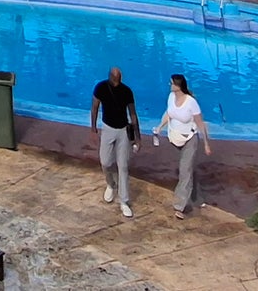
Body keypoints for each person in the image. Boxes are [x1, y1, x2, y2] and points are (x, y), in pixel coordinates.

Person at [153, 73, 213, 219]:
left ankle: (180, 206)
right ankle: (197, 198)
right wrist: (160, 126)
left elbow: (200, 123)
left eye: (171, 83)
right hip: (175, 138)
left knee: (184, 171)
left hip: (189, 139)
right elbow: (169, 113)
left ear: (178, 86)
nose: (169, 85)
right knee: (188, 169)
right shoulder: (171, 97)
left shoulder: (191, 102)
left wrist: (206, 144)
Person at [90, 65, 139, 217]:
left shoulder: (127, 91)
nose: (117, 82)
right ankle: (111, 184)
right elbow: (94, 107)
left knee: (123, 166)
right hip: (108, 128)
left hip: (123, 130)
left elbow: (133, 114)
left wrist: (137, 137)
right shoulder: (101, 88)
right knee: (105, 162)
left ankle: (124, 201)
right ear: (110, 77)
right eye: (114, 79)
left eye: (119, 79)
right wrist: (93, 128)